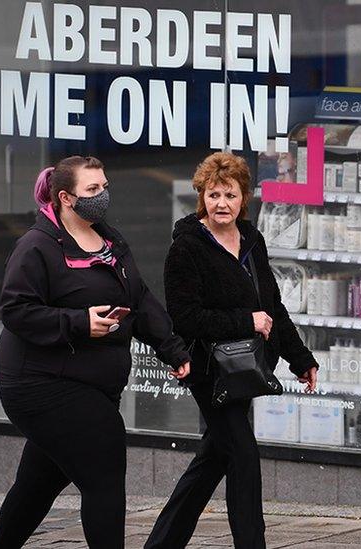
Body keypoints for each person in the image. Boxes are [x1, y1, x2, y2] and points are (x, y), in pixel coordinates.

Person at [0, 156, 191, 549]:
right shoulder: (37, 246)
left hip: (89, 381)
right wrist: (79, 322)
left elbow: (140, 298)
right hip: (41, 382)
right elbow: (15, 310)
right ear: (65, 197)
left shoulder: (109, 240)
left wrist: (172, 348)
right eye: (92, 190)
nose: (103, 196)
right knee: (104, 472)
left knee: (37, 483)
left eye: (105, 187)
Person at [146, 152, 318, 549]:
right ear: (201, 197)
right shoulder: (186, 248)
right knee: (242, 456)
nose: (221, 203)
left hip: (246, 368)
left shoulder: (251, 240)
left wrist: (301, 358)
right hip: (209, 371)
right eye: (212, 194)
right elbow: (185, 318)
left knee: (213, 459)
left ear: (245, 198)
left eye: (230, 195)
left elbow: (273, 308)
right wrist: (246, 321)